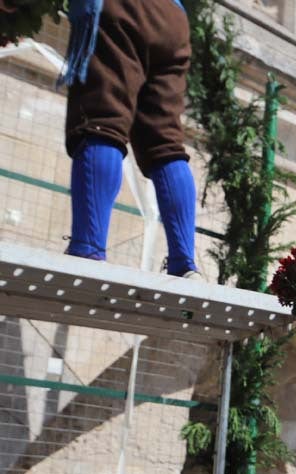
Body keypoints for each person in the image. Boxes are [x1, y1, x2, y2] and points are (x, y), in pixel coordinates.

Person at [59, 0, 200, 278]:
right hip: (172, 16)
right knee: (166, 141)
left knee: (102, 119)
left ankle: (88, 246)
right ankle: (184, 263)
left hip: (120, 7)